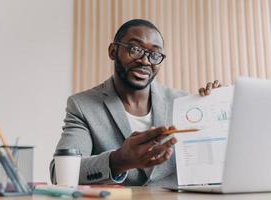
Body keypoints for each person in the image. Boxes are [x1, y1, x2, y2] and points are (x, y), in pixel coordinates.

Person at [50, 19, 221, 186]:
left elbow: (212, 168)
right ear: (112, 51)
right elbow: (60, 173)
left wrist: (219, 111)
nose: (145, 61)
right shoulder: (82, 105)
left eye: (154, 55)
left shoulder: (183, 104)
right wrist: (119, 161)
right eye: (135, 49)